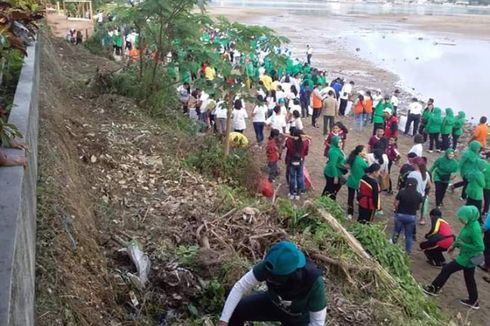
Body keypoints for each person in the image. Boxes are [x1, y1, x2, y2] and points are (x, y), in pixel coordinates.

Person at [218, 240, 327, 326]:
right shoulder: (268, 266)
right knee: (237, 309)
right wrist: (223, 321)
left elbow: (317, 323)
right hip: (273, 304)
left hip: (299, 319)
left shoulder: (313, 281)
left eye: (274, 278)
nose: (269, 279)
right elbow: (240, 287)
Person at [423, 205, 484, 310]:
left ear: (469, 216)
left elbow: (480, 246)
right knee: (469, 278)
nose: (460, 220)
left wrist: (462, 245)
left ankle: (433, 289)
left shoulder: (474, 228)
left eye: (462, 218)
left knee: (447, 269)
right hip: (467, 256)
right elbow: (461, 237)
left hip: (467, 257)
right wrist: (454, 246)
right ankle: (473, 301)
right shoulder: (470, 223)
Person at [392, 178, 423, 253]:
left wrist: (397, 210)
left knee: (396, 232)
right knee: (409, 236)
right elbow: (419, 207)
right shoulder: (419, 195)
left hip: (400, 215)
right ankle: (408, 252)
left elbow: (395, 204)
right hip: (411, 217)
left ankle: (392, 247)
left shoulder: (401, 192)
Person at [285, 129, 309, 199]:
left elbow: (287, 145)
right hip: (300, 160)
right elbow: (306, 152)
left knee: (292, 177)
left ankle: (292, 192)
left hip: (291, 160)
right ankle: (299, 192)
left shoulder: (289, 141)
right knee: (300, 176)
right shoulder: (306, 142)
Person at [346, 145, 369, 220]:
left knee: (350, 198)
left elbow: (345, 162)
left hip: (351, 181)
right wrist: (367, 159)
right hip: (359, 183)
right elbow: (368, 169)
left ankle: (350, 213)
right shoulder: (362, 161)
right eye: (364, 151)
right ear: (360, 153)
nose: (366, 152)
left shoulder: (353, 158)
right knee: (360, 198)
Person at [408, 157, 431, 225]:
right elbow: (429, 185)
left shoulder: (412, 174)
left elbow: (408, 183)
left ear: (416, 164)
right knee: (422, 207)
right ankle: (422, 219)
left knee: (412, 209)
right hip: (422, 194)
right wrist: (423, 187)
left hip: (412, 194)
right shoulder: (426, 174)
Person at [322, 136, 346, 200]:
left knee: (329, 187)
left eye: (341, 142)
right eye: (339, 142)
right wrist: (335, 176)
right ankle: (328, 200)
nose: (341, 143)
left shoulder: (336, 149)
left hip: (335, 171)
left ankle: (325, 199)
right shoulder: (334, 152)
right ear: (335, 142)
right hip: (331, 173)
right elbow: (332, 165)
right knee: (331, 189)